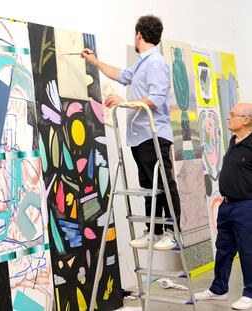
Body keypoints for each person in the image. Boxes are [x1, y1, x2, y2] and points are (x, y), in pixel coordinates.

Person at [81, 15, 180, 250]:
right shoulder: (143, 62)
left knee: (164, 184)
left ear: (138, 35)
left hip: (153, 134)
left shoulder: (155, 63)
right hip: (140, 136)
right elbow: (122, 75)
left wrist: (124, 102)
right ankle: (154, 231)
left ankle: (173, 231)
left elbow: (156, 99)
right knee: (149, 185)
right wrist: (95, 62)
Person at [195, 103, 252, 310]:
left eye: (232, 114)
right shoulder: (234, 141)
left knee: (248, 250)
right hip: (227, 205)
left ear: (245, 120)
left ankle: (250, 292)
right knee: (224, 248)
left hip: (246, 206)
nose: (228, 117)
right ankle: (219, 289)